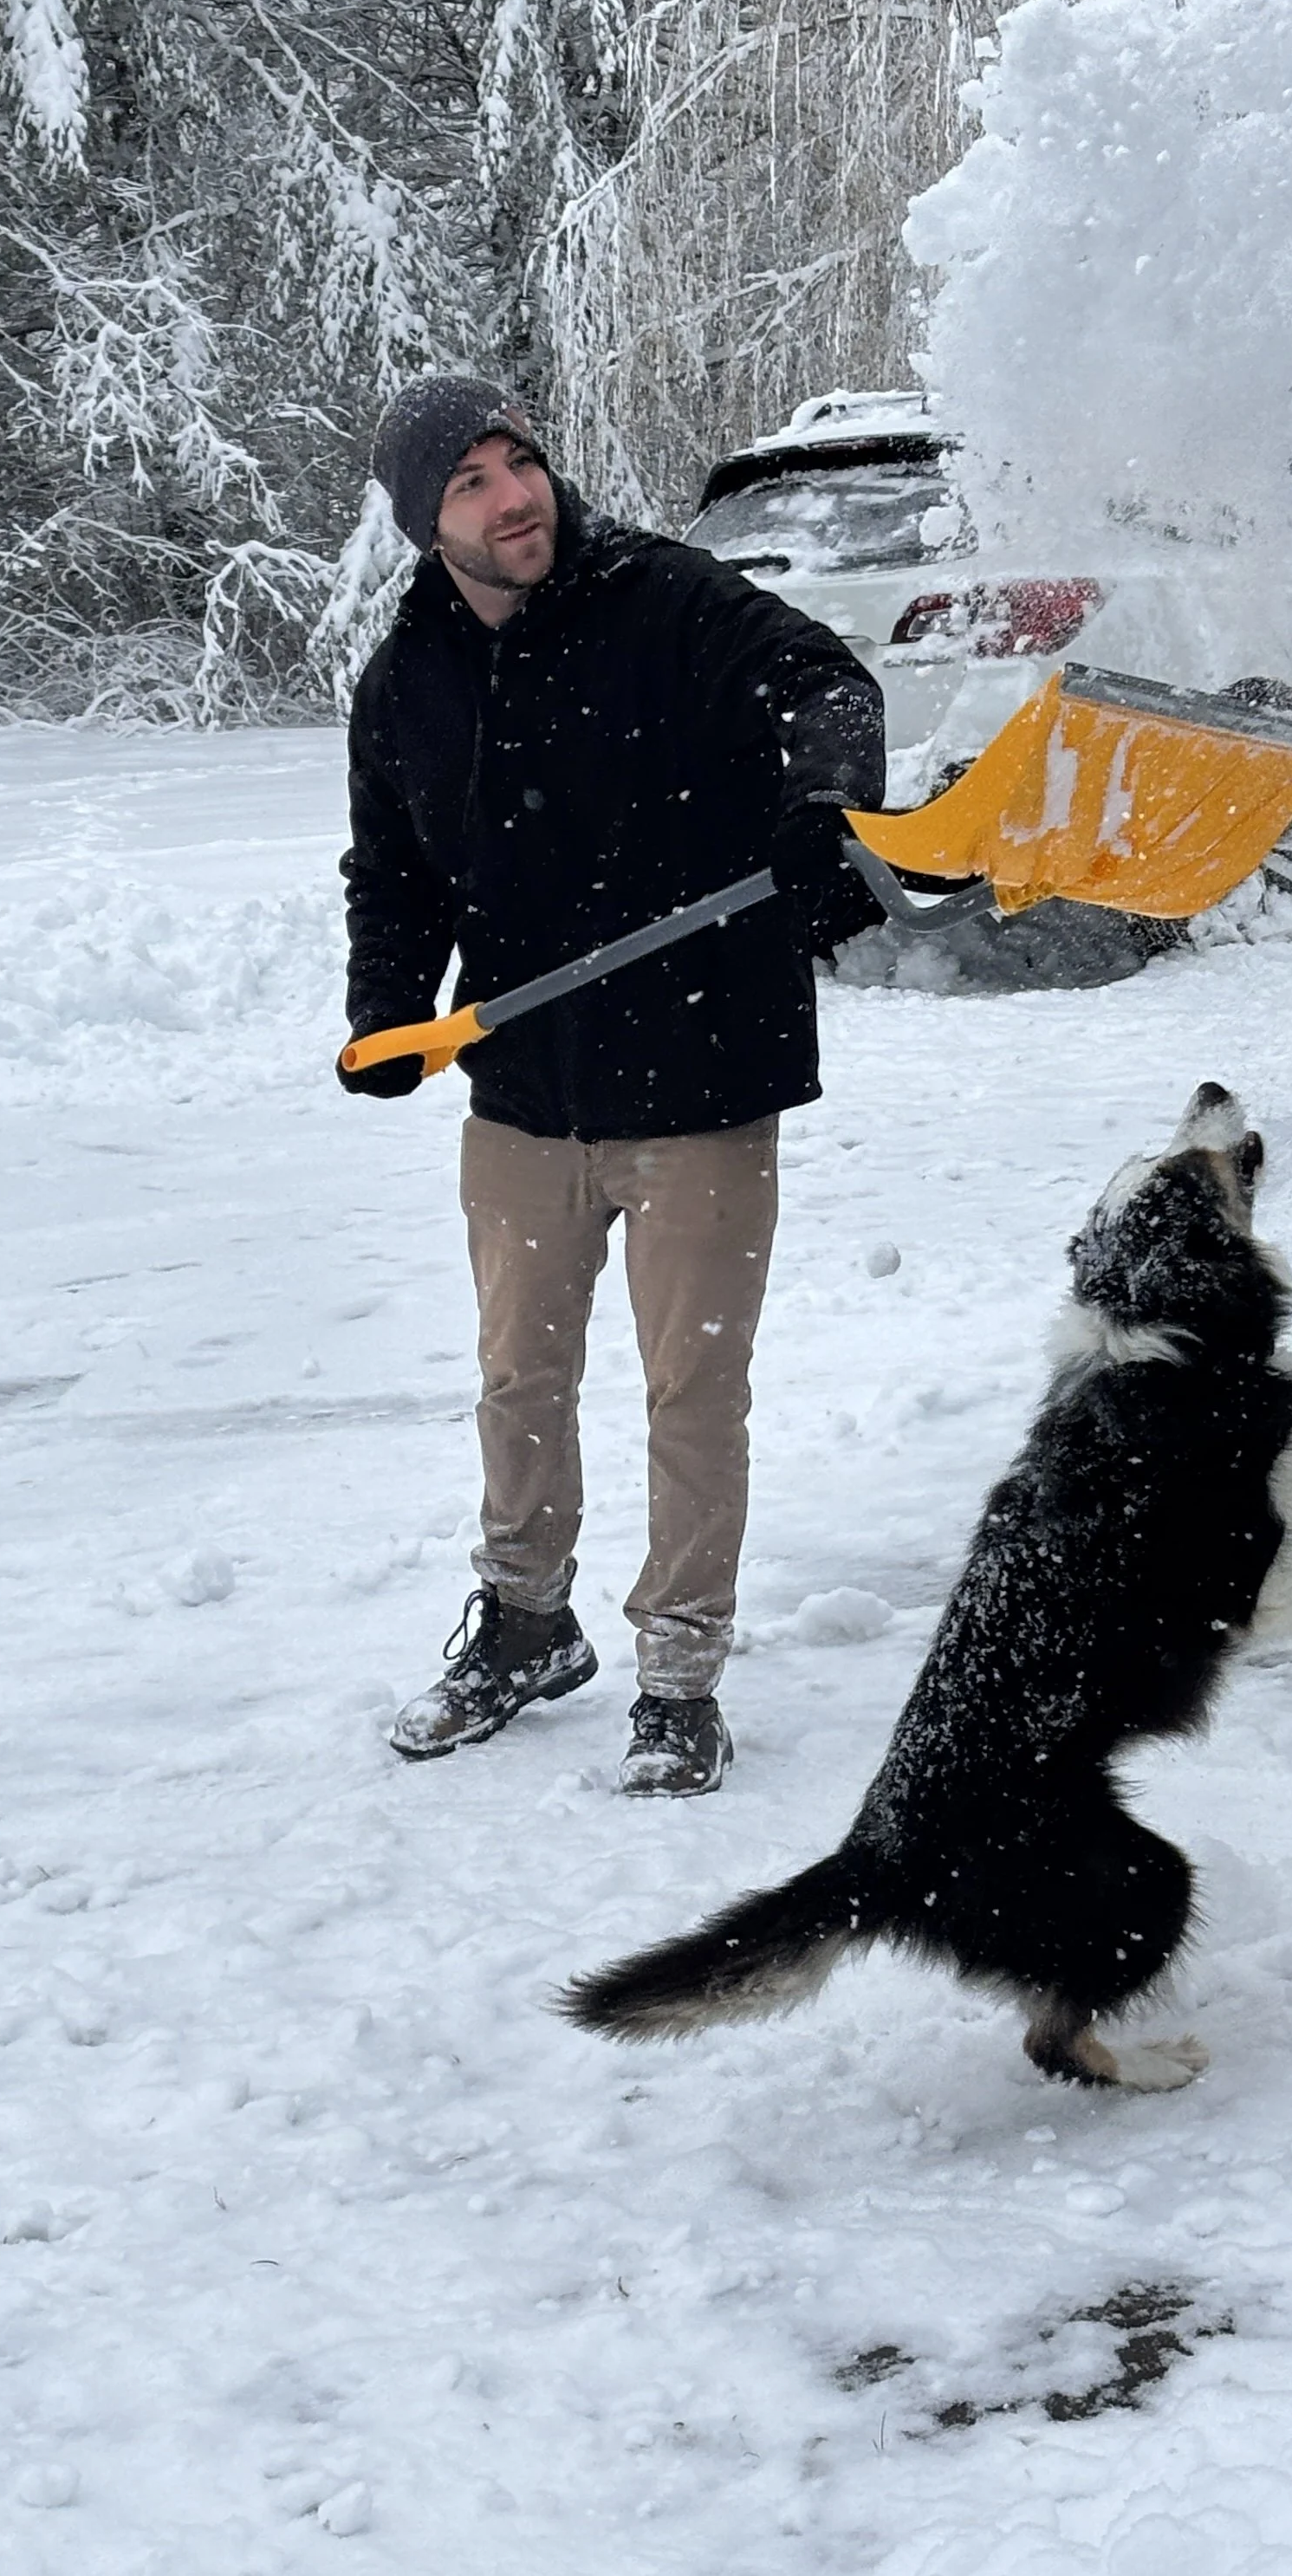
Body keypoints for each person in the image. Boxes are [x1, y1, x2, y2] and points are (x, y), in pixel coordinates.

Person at [338, 374, 886, 1796]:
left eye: (519, 461)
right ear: (424, 523)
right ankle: (527, 1621)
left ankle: (681, 1674)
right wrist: (387, 1009)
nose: (513, 496)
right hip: (526, 1090)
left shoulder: (664, 597)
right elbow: (392, 870)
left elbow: (830, 683)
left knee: (692, 1390)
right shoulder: (406, 683)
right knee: (518, 1376)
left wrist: (823, 804)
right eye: (469, 482)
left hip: (702, 1078)